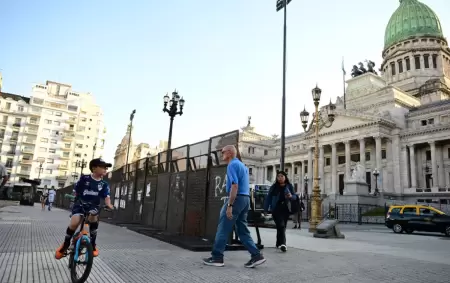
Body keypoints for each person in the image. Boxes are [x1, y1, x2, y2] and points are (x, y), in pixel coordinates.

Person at [203, 145, 266, 268]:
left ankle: (217, 257)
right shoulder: (242, 166)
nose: (221, 154)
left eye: (223, 152)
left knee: (223, 228)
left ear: (230, 153)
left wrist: (230, 205)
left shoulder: (232, 165)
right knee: (242, 230)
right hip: (245, 199)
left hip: (236, 199)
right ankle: (256, 255)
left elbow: (234, 185)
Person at [55, 158, 114, 259]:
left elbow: (106, 196)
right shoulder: (85, 178)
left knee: (93, 220)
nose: (106, 169)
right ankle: (65, 244)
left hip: (93, 206)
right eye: (103, 167)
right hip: (80, 204)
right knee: (74, 223)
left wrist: (109, 205)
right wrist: (74, 197)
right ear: (94, 168)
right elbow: (76, 190)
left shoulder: (104, 184)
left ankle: (93, 245)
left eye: (106, 167)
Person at [263, 170, 297, 252]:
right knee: (281, 225)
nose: (280, 178)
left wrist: (291, 196)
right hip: (276, 208)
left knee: (282, 226)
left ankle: (278, 243)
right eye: (278, 176)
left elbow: (295, 196)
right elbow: (268, 198)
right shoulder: (274, 187)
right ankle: (283, 244)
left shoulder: (289, 186)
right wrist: (265, 209)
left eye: (282, 176)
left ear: (285, 177)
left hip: (285, 208)